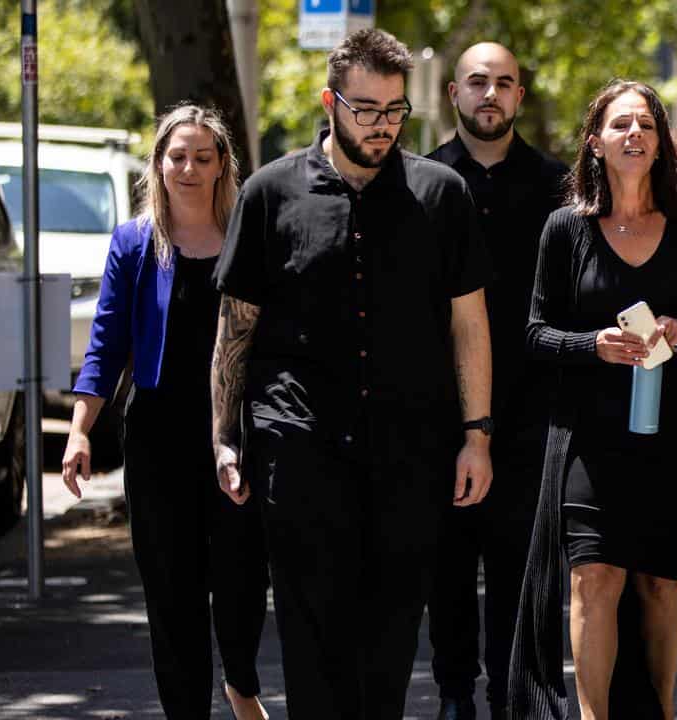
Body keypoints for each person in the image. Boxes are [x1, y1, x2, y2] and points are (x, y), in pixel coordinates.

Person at [210, 29, 493, 719]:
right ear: (330, 101)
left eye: (395, 111)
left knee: (390, 640)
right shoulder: (269, 194)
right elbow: (236, 325)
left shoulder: (441, 194)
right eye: (366, 110)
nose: (382, 125)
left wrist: (477, 435)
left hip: (408, 451)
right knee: (311, 639)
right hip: (298, 445)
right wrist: (224, 434)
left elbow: (469, 324)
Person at [509, 80, 677, 720]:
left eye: (646, 125)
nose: (634, 136)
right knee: (594, 577)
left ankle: (663, 710)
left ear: (663, 141)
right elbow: (534, 333)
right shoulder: (566, 230)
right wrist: (594, 345)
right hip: (590, 434)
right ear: (595, 141)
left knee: (660, 581)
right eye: (620, 125)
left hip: (670, 429)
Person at [62, 104, 270, 720]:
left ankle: (240, 681)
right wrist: (80, 432)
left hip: (235, 435)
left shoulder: (246, 235)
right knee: (171, 593)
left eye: (202, 157)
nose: (188, 168)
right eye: (177, 156)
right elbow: (106, 343)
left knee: (239, 584)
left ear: (221, 166)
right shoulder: (134, 242)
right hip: (157, 436)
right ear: (159, 163)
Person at [425, 41, 568, 720]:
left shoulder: (558, 186)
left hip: (531, 405)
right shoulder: (419, 181)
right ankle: (455, 693)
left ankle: (516, 695)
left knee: (520, 562)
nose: (490, 94)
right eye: (477, 82)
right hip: (437, 407)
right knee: (447, 563)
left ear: (519, 96)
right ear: (453, 94)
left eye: (503, 83)